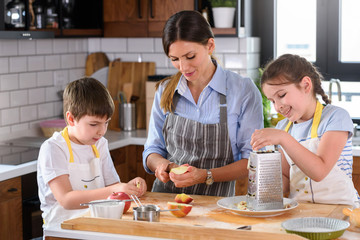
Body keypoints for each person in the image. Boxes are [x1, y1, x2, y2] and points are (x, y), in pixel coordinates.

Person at [142, 10, 263, 197]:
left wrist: (204, 175)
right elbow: (152, 150)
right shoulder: (165, 90)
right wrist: (161, 165)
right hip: (167, 201)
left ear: (210, 45)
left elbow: (252, 161)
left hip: (217, 205)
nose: (183, 67)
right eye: (174, 59)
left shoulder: (242, 90)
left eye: (190, 57)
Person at [37, 77, 147, 229]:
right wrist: (115, 189)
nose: (102, 131)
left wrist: (128, 187)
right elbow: (66, 200)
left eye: (106, 122)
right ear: (71, 119)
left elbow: (113, 186)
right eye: (94, 124)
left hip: (97, 224)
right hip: (62, 230)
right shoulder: (53, 148)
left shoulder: (99, 144)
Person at [251, 54, 359, 207]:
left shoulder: (336, 117)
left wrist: (283, 138)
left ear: (306, 85)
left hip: (341, 212)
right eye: (272, 101)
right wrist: (263, 181)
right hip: (301, 212)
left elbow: (319, 171)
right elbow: (286, 178)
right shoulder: (283, 127)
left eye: (281, 95)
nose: (277, 106)